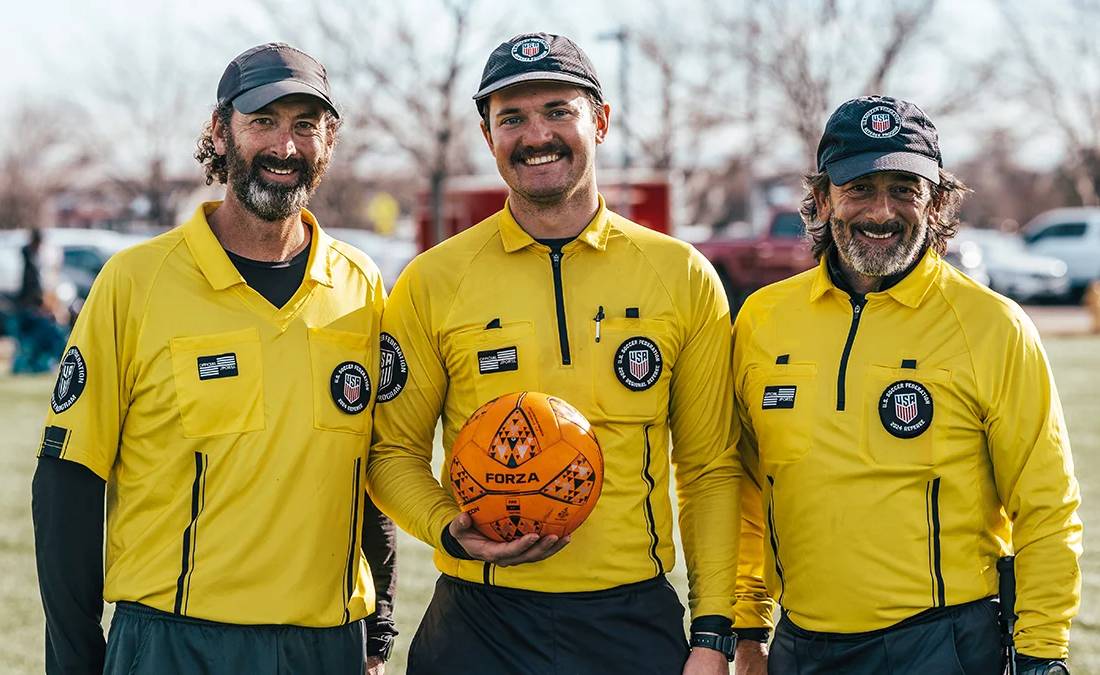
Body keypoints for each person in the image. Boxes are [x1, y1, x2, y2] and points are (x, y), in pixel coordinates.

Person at [367, 32, 741, 675]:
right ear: (488, 137)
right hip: (478, 624)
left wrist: (711, 633)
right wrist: (448, 529)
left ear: (599, 120)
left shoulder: (680, 275)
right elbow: (390, 454)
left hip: (630, 623)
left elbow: (709, 468)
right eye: (511, 117)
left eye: (557, 110)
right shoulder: (434, 280)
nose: (535, 134)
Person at [31, 42, 397, 674]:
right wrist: (73, 657)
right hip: (176, 644)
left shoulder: (360, 282)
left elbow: (372, 467)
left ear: (328, 142)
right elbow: (68, 479)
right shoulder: (135, 282)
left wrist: (378, 629)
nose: (285, 148)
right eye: (263, 122)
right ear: (220, 131)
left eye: (305, 126)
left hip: (328, 645)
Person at [731, 96, 1082, 675]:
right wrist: (748, 626)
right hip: (799, 645)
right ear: (821, 198)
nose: (881, 211)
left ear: (938, 201)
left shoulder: (993, 325)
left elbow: (1046, 507)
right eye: (860, 187)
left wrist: (1041, 655)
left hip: (941, 646)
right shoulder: (762, 319)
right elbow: (745, 488)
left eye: (904, 188)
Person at [12, 227, 67, 374]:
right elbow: (32, 286)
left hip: (31, 309)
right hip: (28, 310)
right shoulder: (30, 259)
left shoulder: (35, 260)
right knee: (37, 339)